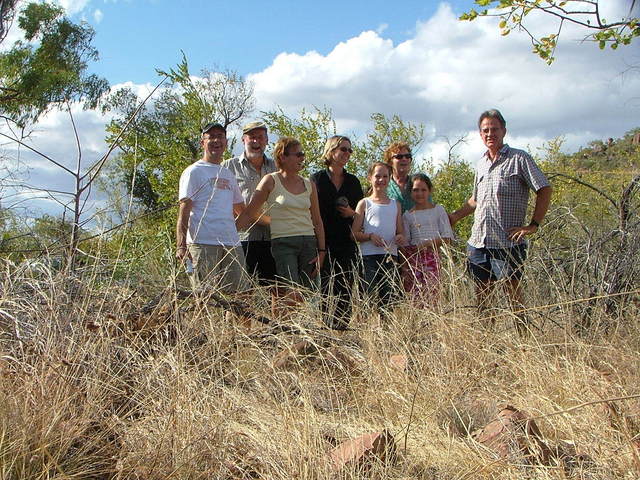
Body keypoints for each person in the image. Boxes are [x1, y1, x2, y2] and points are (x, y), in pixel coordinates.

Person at [449, 109, 552, 324]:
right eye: (485, 130)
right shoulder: (481, 163)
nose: (490, 134)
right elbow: (475, 200)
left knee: (513, 296)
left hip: (507, 243)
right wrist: (454, 216)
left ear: (504, 130)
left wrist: (533, 225)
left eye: (494, 129)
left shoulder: (519, 158)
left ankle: (524, 342)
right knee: (483, 299)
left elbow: (544, 188)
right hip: (479, 242)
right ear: (480, 134)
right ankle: (487, 344)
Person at [236, 137, 326, 318]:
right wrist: (227, 234)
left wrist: (322, 250)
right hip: (283, 242)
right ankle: (287, 331)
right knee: (290, 290)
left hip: (308, 242)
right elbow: (249, 212)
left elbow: (317, 220)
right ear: (282, 157)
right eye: (298, 154)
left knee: (308, 292)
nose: (302, 158)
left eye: (303, 154)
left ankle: (300, 332)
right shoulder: (270, 181)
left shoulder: (309, 185)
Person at [176, 121, 251, 324]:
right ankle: (204, 343)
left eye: (220, 136)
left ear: (226, 142)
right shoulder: (193, 171)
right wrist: (181, 245)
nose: (216, 141)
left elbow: (241, 210)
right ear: (203, 142)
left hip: (230, 243)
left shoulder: (227, 173)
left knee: (240, 296)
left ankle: (235, 342)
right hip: (201, 241)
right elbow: (184, 210)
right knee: (205, 297)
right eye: (212, 137)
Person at [311, 135, 364, 330]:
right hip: (323, 241)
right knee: (323, 287)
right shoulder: (317, 179)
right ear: (331, 151)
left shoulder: (353, 182)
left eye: (349, 150)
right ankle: (323, 331)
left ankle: (341, 331)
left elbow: (362, 214)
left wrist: (352, 213)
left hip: (347, 242)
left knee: (345, 289)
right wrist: (319, 246)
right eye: (343, 149)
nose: (347, 153)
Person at [224, 121, 277, 285]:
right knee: (242, 291)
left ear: (267, 141)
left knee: (276, 291)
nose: (256, 141)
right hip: (243, 237)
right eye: (252, 137)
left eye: (260, 137)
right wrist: (264, 219)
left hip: (273, 238)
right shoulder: (228, 167)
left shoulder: (276, 167)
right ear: (243, 140)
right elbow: (227, 202)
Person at [352, 162, 405, 322]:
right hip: (368, 257)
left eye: (385, 176)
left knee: (388, 298)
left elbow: (400, 231)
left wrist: (400, 237)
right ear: (370, 178)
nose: (381, 180)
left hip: (390, 257)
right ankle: (366, 332)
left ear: (390, 179)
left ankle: (386, 334)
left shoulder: (395, 204)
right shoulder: (364, 203)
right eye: (377, 176)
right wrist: (369, 236)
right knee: (367, 296)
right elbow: (354, 234)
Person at [402, 173, 454, 307]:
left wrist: (428, 244)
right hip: (414, 259)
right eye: (416, 190)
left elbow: (447, 237)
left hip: (432, 258)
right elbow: (406, 242)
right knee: (415, 297)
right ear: (410, 192)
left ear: (430, 191)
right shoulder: (407, 215)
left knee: (433, 295)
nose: (420, 193)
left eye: (423, 190)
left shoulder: (438, 210)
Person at [385, 141, 415, 213]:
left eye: (407, 156)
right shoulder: (382, 185)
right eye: (399, 157)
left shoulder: (419, 184)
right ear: (390, 162)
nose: (404, 159)